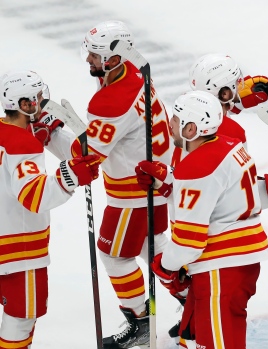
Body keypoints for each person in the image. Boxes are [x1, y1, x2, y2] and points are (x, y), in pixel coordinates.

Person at [135, 90, 268, 349]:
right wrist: (167, 180)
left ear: (191, 129)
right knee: (196, 337)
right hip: (237, 263)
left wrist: (166, 264)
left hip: (221, 268)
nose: (170, 123)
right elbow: (226, 197)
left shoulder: (197, 166)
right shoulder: (230, 146)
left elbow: (189, 243)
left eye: (177, 120)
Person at [40, 20, 173, 348]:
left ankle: (141, 322)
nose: (89, 61)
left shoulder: (112, 101)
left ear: (115, 57)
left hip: (133, 192)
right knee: (152, 248)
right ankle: (195, 301)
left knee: (114, 255)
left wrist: (53, 134)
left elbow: (87, 156)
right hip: (155, 178)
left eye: (96, 56)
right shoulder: (135, 69)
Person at [0, 70, 100, 348]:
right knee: (21, 319)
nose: (43, 102)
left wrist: (55, 136)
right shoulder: (23, 145)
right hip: (18, 251)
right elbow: (33, 195)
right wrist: (69, 176)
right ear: (24, 104)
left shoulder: (7, 133)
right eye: (38, 98)